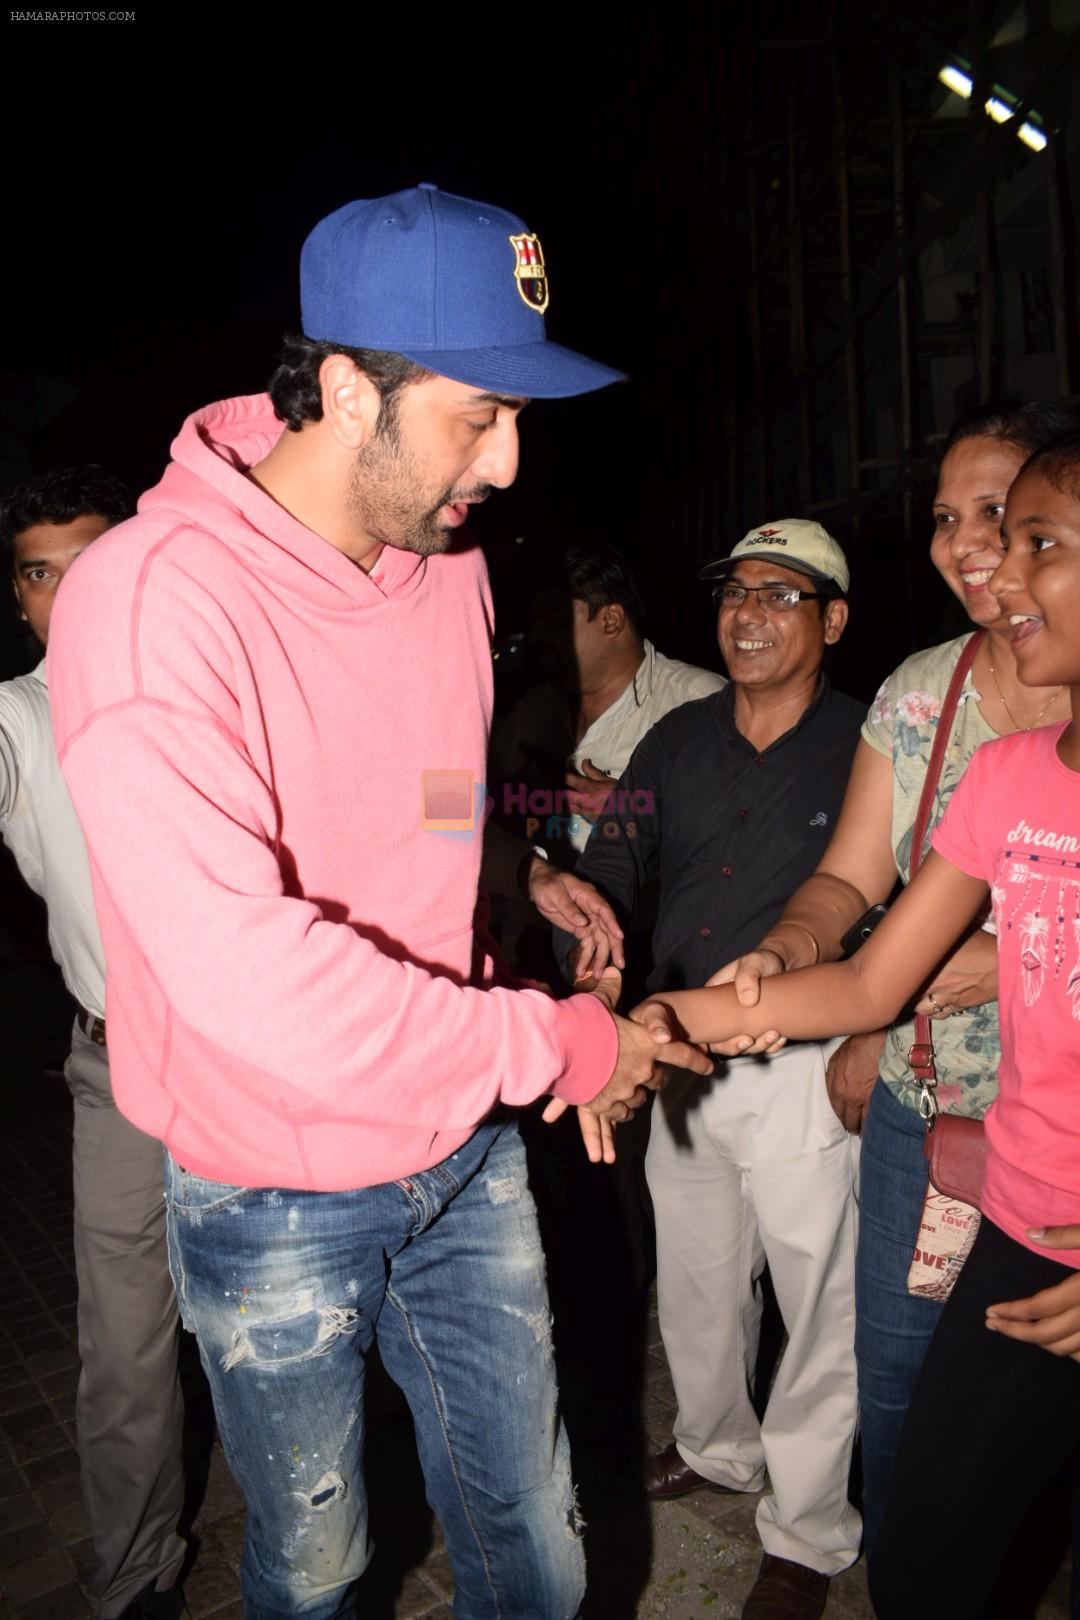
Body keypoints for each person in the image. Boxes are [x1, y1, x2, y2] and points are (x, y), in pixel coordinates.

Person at [45, 185, 711, 1620]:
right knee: (317, 1565)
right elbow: (252, 970)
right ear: (347, 390)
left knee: (535, 1540)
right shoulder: (151, 600)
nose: (513, 463)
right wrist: (561, 1045)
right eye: (480, 414)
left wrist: (507, 870)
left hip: (460, 1145)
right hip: (272, 1177)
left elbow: (425, 790)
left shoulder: (445, 564)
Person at [623, 424, 1080, 1617]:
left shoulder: (882, 729)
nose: (989, 562)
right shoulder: (1000, 761)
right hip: (981, 1161)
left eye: (1031, 536)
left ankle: (807, 1527)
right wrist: (685, 1011)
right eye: (957, 523)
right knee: (913, 1484)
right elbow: (869, 957)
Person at [555, 520, 864, 1620]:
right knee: (694, 1284)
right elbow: (617, 857)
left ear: (831, 621)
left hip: (802, 1061)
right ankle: (717, 1447)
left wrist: (871, 1039)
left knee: (816, 1302)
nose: (749, 614)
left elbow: (911, 905)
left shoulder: (870, 743)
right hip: (677, 1059)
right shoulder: (675, 741)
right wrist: (587, 959)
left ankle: (811, 1530)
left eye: (782, 597)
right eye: (738, 594)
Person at [0, 466, 186, 1620]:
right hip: (116, 1069)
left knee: (299, 1318)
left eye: (90, 561)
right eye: (38, 572)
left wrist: (517, 854)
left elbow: (422, 791)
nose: (67, 594)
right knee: (125, 1355)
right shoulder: (17, 716)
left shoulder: (209, 678)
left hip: (258, 1057)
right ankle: (137, 1584)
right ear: (16, 597)